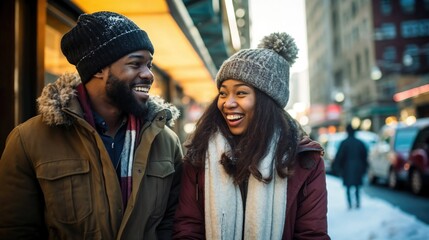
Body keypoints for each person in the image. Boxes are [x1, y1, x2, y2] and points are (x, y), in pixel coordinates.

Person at [0, 11, 183, 239]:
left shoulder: (166, 141)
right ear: (98, 69)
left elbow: (171, 224)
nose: (148, 75)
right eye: (136, 64)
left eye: (149, 65)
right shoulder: (27, 141)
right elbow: (17, 230)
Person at [173, 32, 330, 239]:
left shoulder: (304, 160)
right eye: (223, 93)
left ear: (267, 101)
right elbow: (187, 227)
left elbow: (312, 234)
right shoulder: (200, 154)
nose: (227, 103)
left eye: (240, 93)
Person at [333, 124, 368, 209]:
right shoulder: (360, 143)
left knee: (348, 188)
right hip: (358, 168)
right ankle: (357, 203)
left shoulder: (344, 143)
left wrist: (337, 168)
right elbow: (365, 156)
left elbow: (339, 156)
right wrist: (364, 168)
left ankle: (349, 204)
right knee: (357, 187)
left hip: (347, 168)